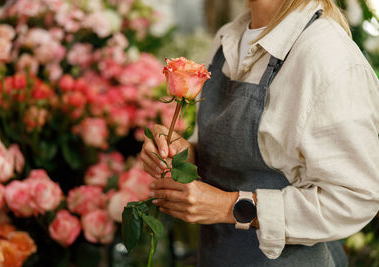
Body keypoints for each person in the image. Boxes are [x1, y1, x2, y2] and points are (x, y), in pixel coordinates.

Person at [140, 0, 379, 266]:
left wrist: (230, 207)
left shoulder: (326, 55)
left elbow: (356, 198)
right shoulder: (227, 38)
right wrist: (185, 153)